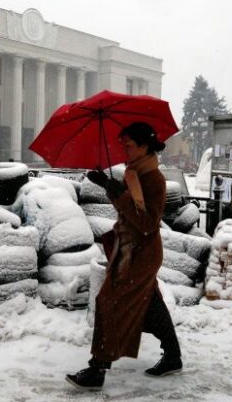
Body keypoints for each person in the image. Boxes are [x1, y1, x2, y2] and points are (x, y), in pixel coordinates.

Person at [66, 122, 182, 390]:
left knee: (109, 301)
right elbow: (130, 211)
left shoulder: (153, 179)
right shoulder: (135, 174)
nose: (124, 150)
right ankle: (173, 356)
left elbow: (147, 223)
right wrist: (109, 184)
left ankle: (97, 368)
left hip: (140, 255)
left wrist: (116, 190)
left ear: (143, 147)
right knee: (150, 305)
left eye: (128, 145)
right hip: (130, 251)